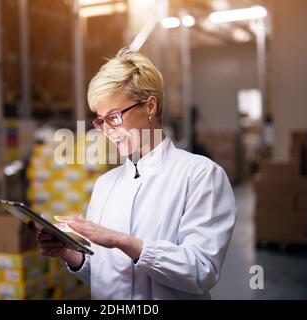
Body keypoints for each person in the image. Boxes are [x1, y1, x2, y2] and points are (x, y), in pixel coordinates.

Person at [36, 48, 237, 299]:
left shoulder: (200, 175)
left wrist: (124, 242)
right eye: (100, 121)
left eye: (115, 117)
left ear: (150, 106)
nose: (107, 130)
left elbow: (201, 270)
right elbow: (104, 274)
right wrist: (71, 254)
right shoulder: (105, 184)